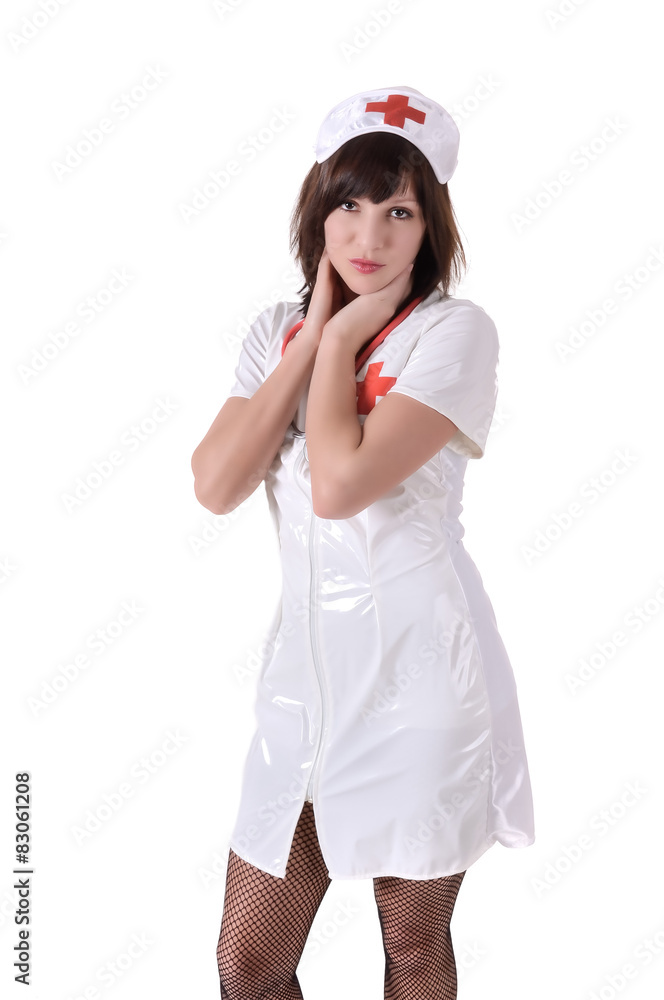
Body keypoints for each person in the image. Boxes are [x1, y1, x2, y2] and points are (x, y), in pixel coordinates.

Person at [191, 85, 535, 1000]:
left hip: (420, 681)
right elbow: (216, 485)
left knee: (412, 947)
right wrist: (314, 337)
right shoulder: (276, 333)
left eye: (399, 211)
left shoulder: (453, 333)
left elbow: (339, 486)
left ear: (432, 227)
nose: (369, 235)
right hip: (302, 685)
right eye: (349, 204)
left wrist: (344, 334)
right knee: (248, 963)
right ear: (317, 210)